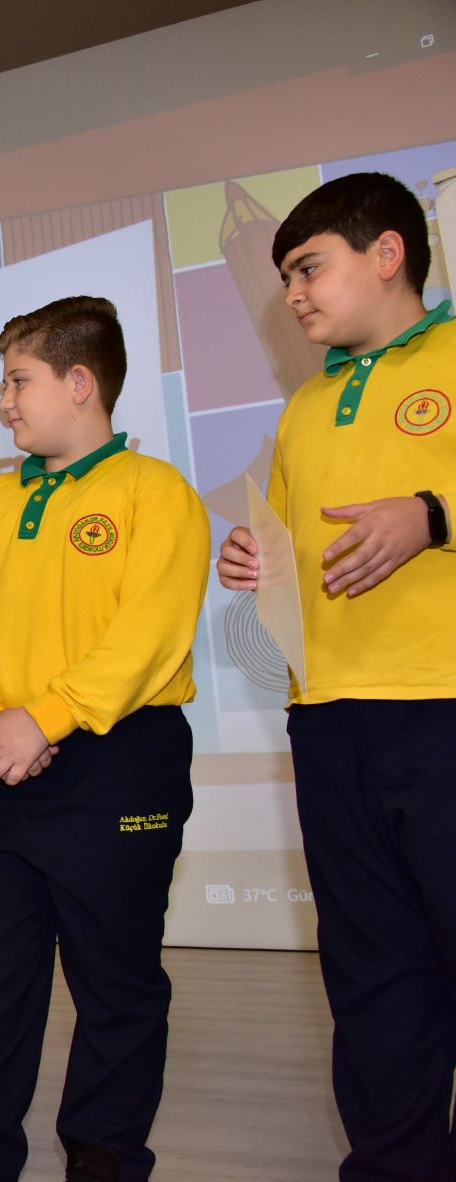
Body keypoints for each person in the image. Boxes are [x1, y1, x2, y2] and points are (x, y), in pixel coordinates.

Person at [0, 297, 209, 1182]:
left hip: (117, 763)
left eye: (18, 381)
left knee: (115, 982)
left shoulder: (156, 494)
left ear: (80, 382)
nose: (4, 400)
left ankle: (103, 1156)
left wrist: (43, 719)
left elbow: (148, 636)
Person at [216, 172, 455, 1182]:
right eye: (284, 279)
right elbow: (285, 540)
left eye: (309, 268)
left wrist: (432, 515)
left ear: (388, 252)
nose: (293, 295)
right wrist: (251, 556)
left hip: (441, 706)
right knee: (370, 971)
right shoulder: (307, 407)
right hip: (329, 718)